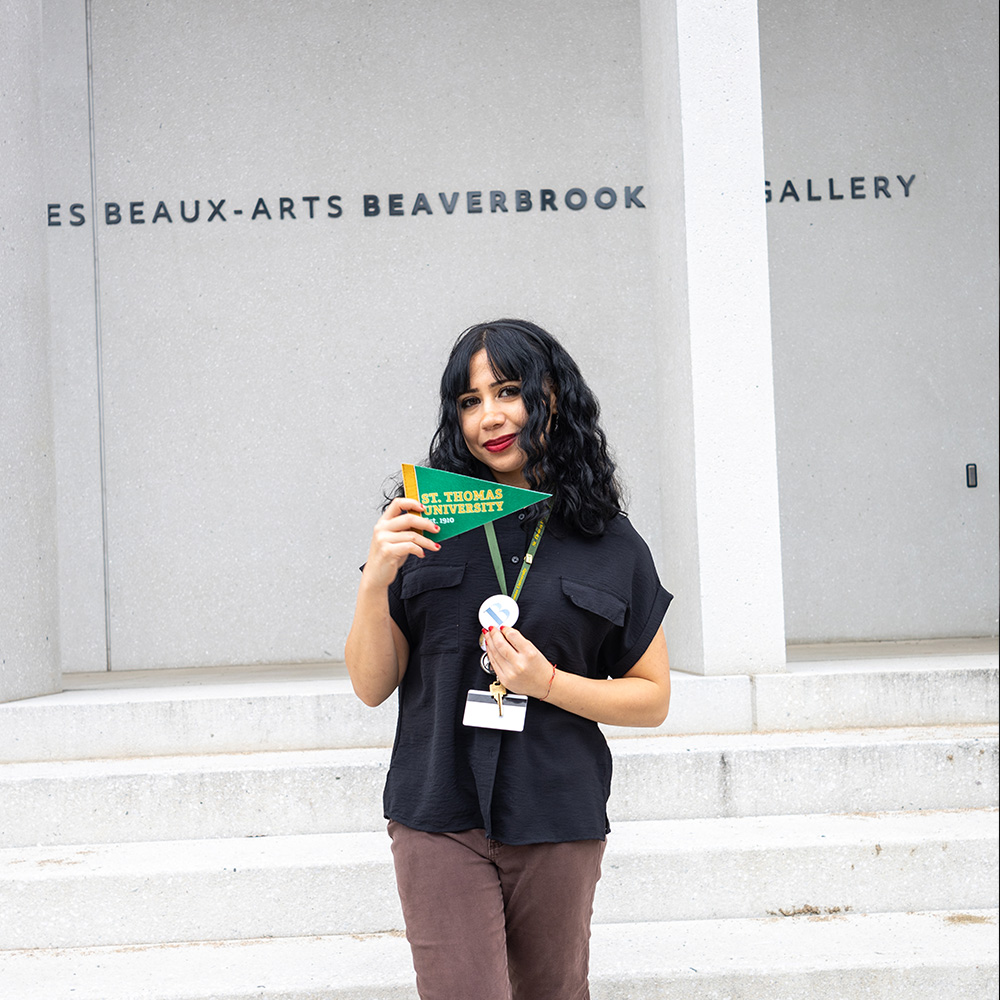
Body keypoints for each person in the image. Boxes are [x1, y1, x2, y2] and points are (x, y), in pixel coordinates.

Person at [345, 319, 672, 1000]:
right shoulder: (425, 523)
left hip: (556, 813)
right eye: (469, 401)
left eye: (509, 392)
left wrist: (547, 683)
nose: (489, 417)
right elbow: (371, 684)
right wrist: (374, 579)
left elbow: (651, 696)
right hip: (438, 810)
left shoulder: (611, 542)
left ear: (554, 395)